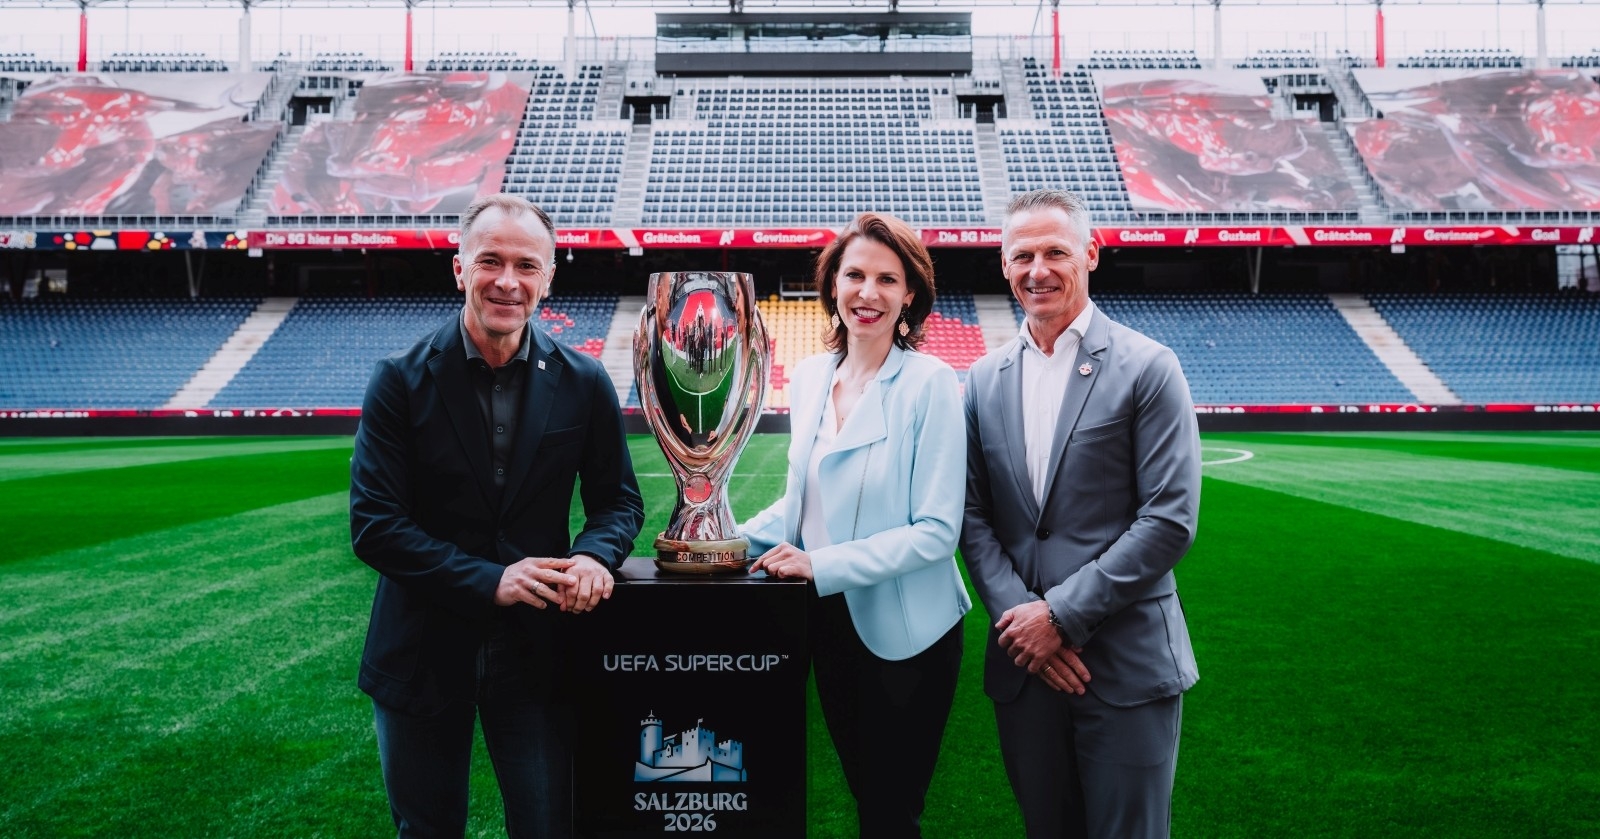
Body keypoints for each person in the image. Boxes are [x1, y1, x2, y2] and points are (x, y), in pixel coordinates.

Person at [350, 193, 644, 838]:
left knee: (547, 827)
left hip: (539, 651)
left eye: (526, 265)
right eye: (490, 261)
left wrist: (596, 555)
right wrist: (492, 579)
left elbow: (618, 500)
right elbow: (375, 524)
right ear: (460, 268)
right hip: (422, 647)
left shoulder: (585, 380)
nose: (507, 281)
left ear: (548, 275)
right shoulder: (399, 380)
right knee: (427, 831)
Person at [960, 188, 1201, 839]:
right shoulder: (982, 379)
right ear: (1003, 265)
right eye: (1022, 255)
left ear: (1091, 254)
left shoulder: (1150, 367)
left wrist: (1061, 617)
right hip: (1025, 667)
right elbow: (974, 518)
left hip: (1122, 663)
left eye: (1055, 251)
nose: (1037, 269)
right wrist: (1025, 627)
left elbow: (1169, 519)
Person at [741, 212, 970, 839]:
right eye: (855, 275)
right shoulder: (812, 375)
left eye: (887, 280)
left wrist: (821, 564)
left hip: (909, 632)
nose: (867, 293)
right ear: (832, 285)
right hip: (826, 623)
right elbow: (800, 503)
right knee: (862, 792)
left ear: (910, 297)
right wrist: (722, 536)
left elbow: (936, 531)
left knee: (891, 811)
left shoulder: (932, 383)